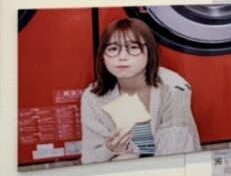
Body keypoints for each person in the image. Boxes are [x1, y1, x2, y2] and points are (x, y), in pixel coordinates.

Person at [79, 18, 199, 163]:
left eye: (133, 47)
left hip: (171, 169)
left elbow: (174, 153)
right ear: (103, 57)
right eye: (113, 49)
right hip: (121, 171)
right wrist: (109, 149)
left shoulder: (174, 88)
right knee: (124, 159)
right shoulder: (93, 97)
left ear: (149, 53)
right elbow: (89, 159)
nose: (122, 57)